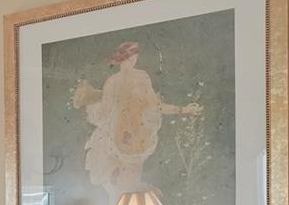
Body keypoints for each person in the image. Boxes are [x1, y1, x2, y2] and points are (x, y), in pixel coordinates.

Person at [71, 40, 203, 196]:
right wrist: (93, 104)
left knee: (130, 182)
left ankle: (134, 195)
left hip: (137, 135)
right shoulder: (115, 81)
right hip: (121, 136)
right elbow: (105, 113)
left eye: (134, 58)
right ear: (122, 59)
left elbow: (155, 106)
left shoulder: (139, 77)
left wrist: (183, 110)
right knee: (122, 186)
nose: (132, 61)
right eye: (129, 58)